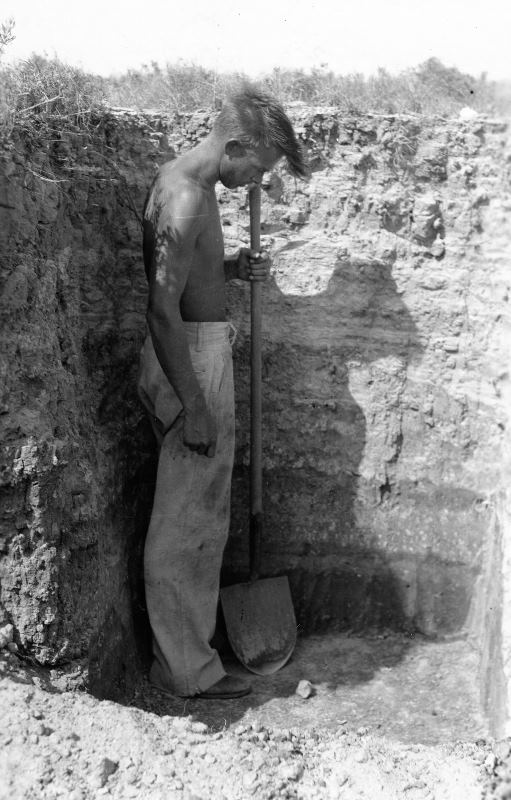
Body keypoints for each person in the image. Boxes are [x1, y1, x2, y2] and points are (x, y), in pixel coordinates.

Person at [137, 87, 306, 700]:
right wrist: (196, 405)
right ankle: (185, 672)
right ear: (234, 146)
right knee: (187, 521)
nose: (257, 179)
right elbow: (161, 309)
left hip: (189, 350)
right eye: (257, 167)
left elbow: (185, 279)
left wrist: (231, 270)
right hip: (190, 359)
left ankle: (185, 658)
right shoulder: (186, 197)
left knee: (192, 511)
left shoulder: (186, 183)